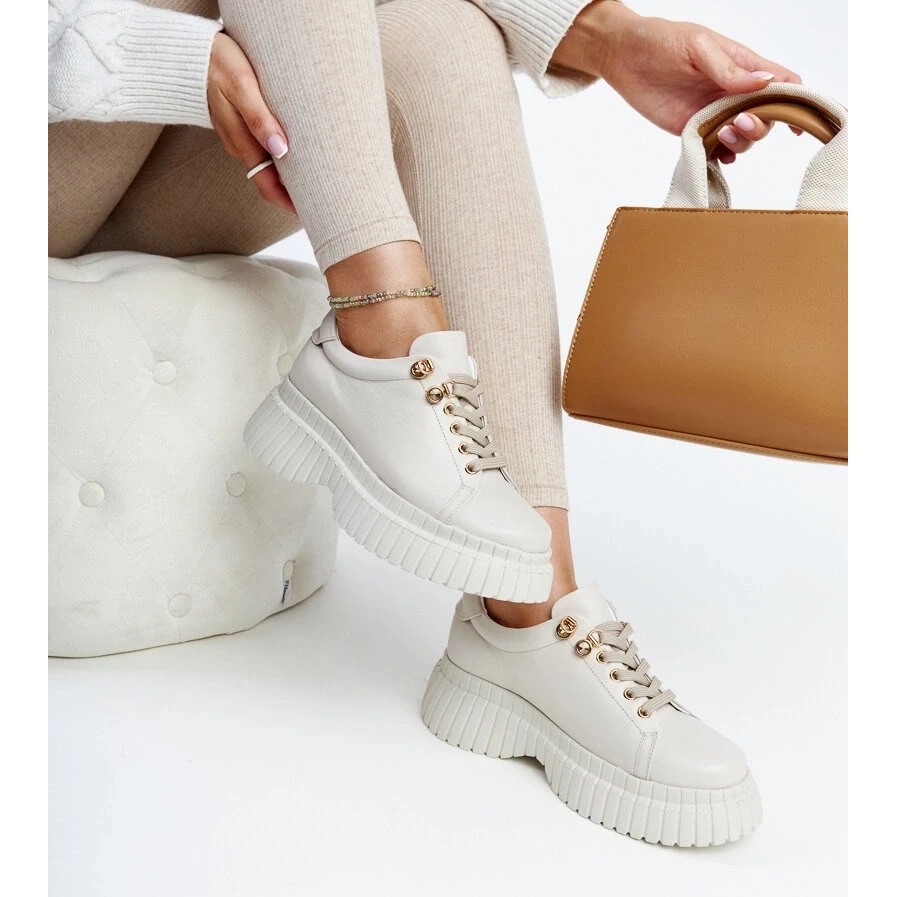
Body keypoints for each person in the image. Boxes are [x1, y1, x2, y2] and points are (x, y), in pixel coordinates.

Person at [49, 0, 801, 846]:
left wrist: (600, 35)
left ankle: (531, 615)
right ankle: (383, 338)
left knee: (435, 31)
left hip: (165, 141)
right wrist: (168, 56)